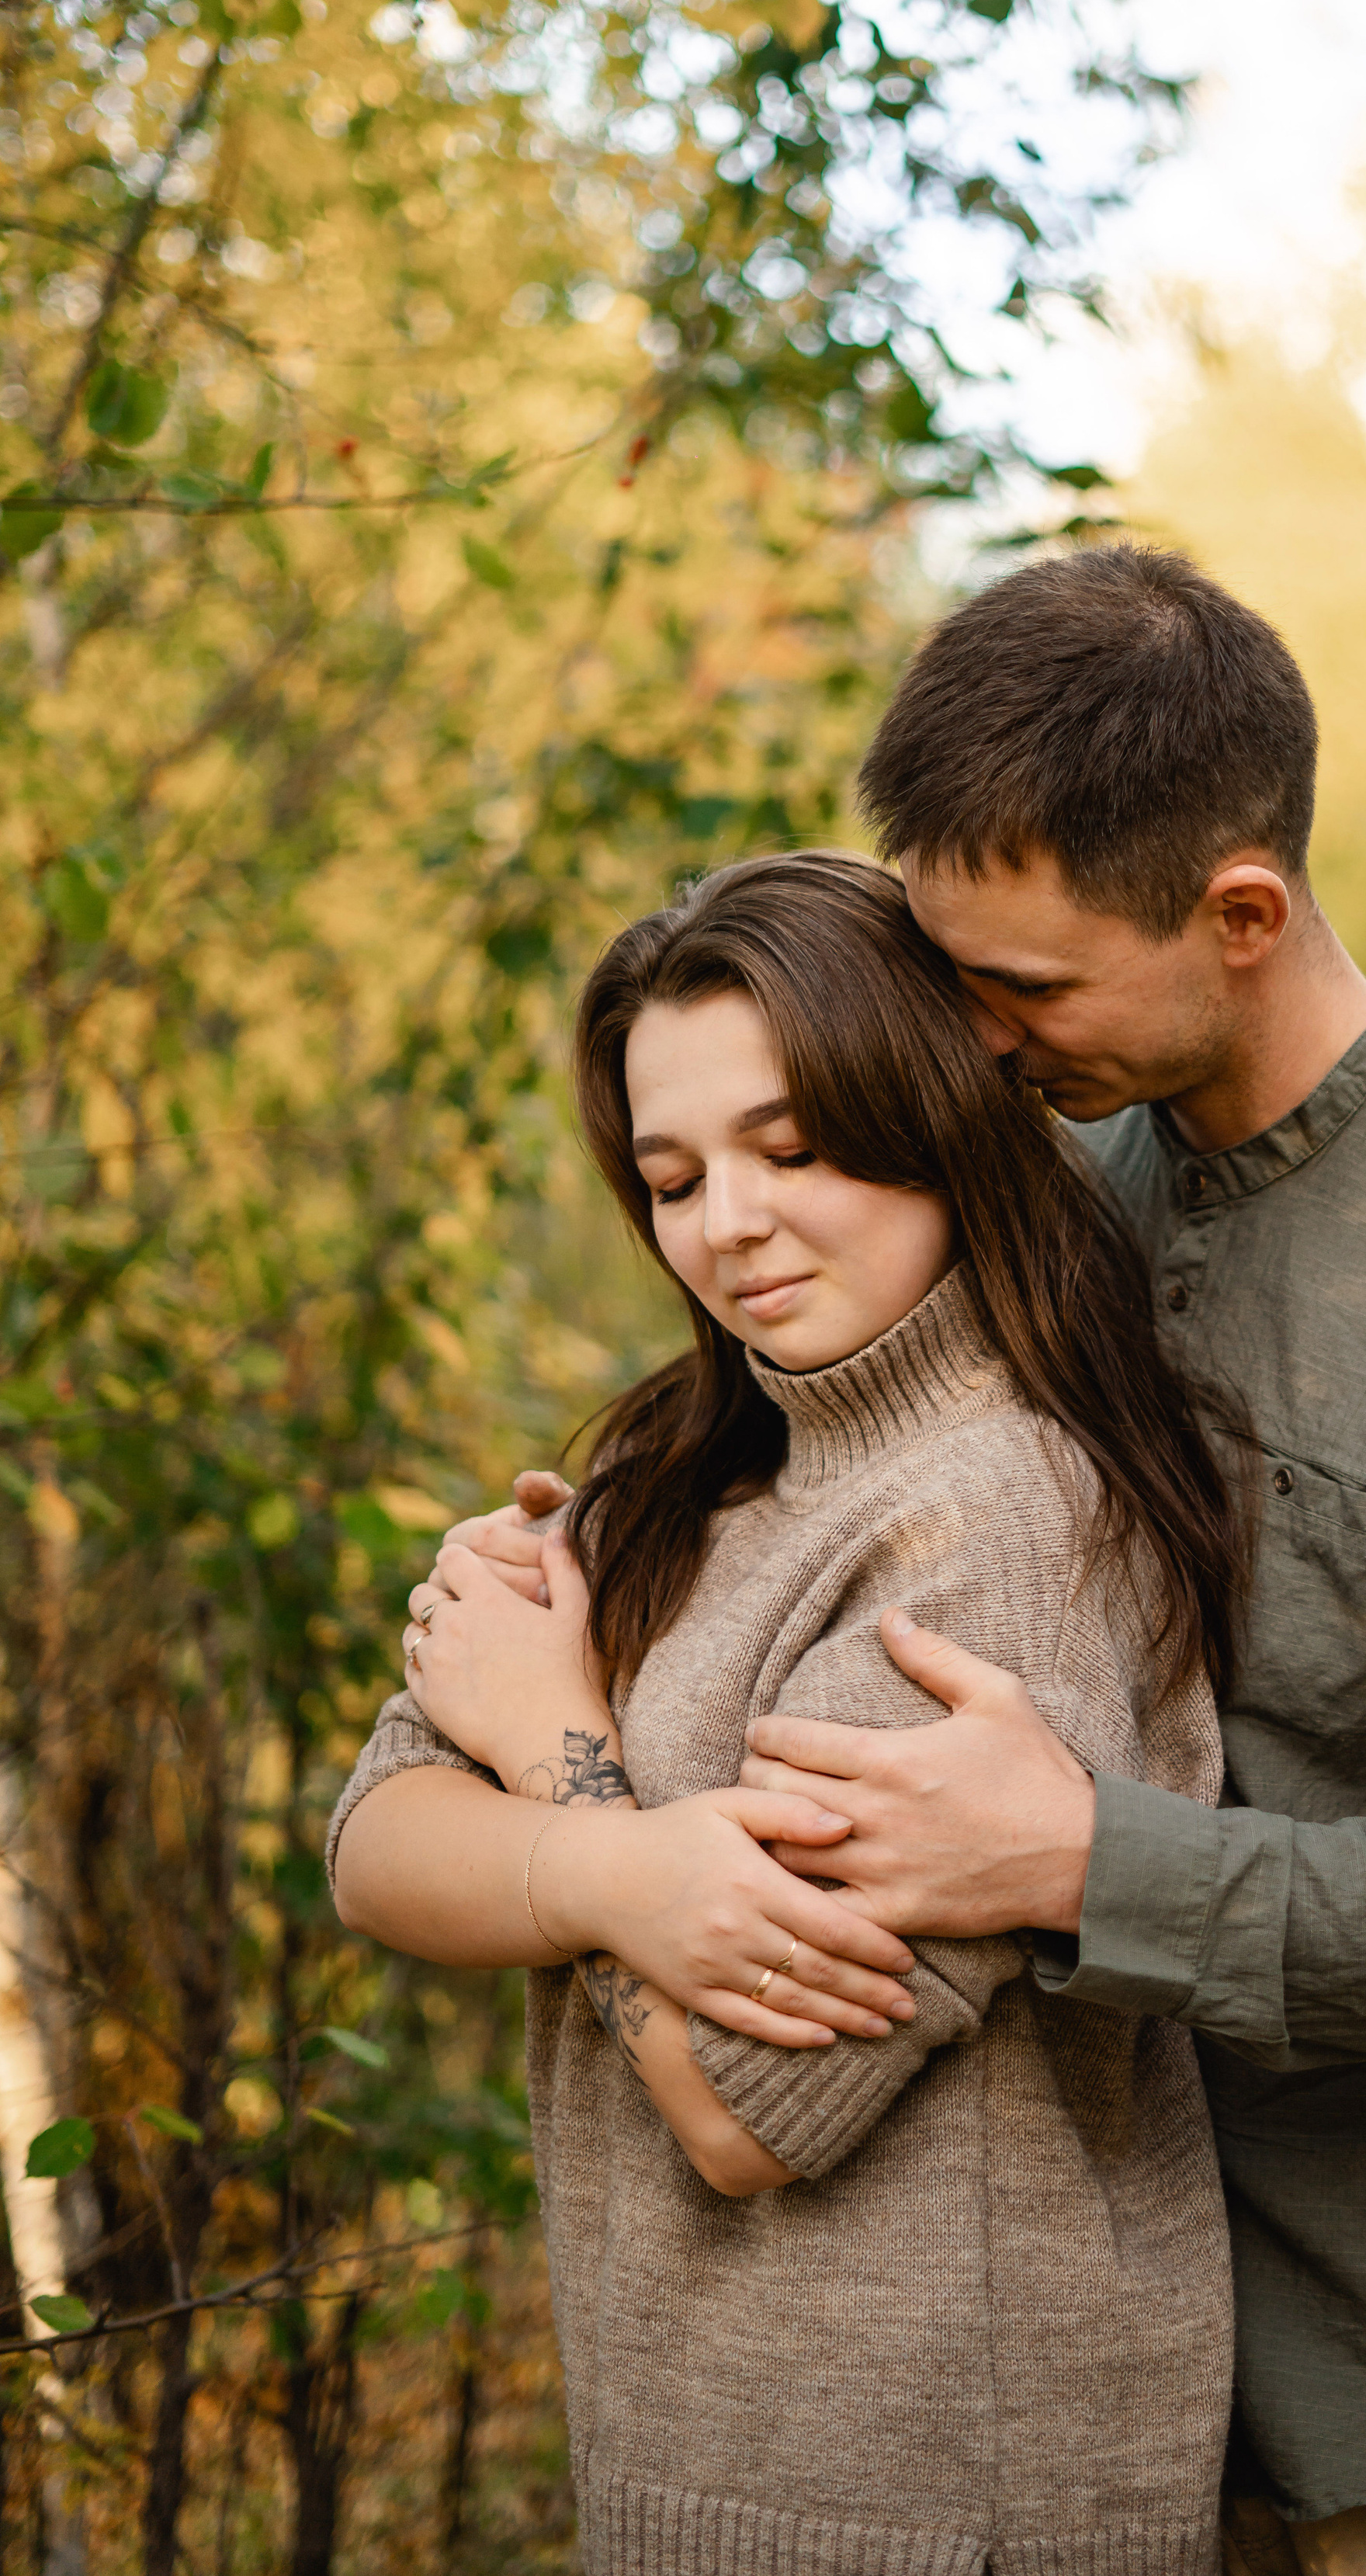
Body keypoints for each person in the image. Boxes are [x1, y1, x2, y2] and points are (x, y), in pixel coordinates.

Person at [522, 546, 1366, 2576]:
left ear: (1242, 913)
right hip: (1141, 2410)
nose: (977, 1045)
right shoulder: (1058, 1194)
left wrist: (1090, 1865)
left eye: (1022, 989)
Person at [327, 852, 1254, 2575]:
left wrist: (553, 1758)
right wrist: (622, 1876)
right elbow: (375, 1844)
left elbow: (743, 2109)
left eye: (794, 1147)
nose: (724, 1224)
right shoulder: (669, 1470)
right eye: (672, 1176)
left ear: (932, 1119)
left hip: (949, 2505)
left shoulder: (1000, 1520)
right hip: (689, 2467)